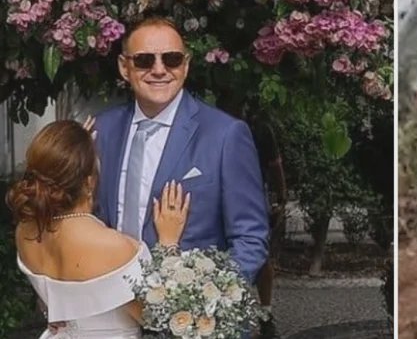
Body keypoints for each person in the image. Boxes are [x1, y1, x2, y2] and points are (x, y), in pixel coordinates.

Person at [92, 18, 270, 285]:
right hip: (113, 313)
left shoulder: (225, 135)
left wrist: (214, 302)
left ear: (185, 66)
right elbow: (83, 219)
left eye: (172, 59)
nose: (159, 70)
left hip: (191, 317)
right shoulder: (102, 130)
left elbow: (250, 238)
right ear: (124, 67)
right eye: (144, 60)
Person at [12, 119, 189, 339]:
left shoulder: (25, 232)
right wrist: (168, 243)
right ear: (89, 182)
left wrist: (69, 153)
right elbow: (154, 317)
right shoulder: (113, 247)